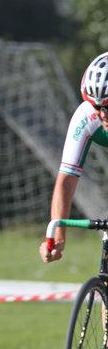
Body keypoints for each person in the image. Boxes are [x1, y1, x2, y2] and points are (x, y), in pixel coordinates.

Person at [40, 51, 108, 263]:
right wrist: (57, 237)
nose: (103, 115)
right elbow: (66, 181)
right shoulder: (85, 117)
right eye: (97, 106)